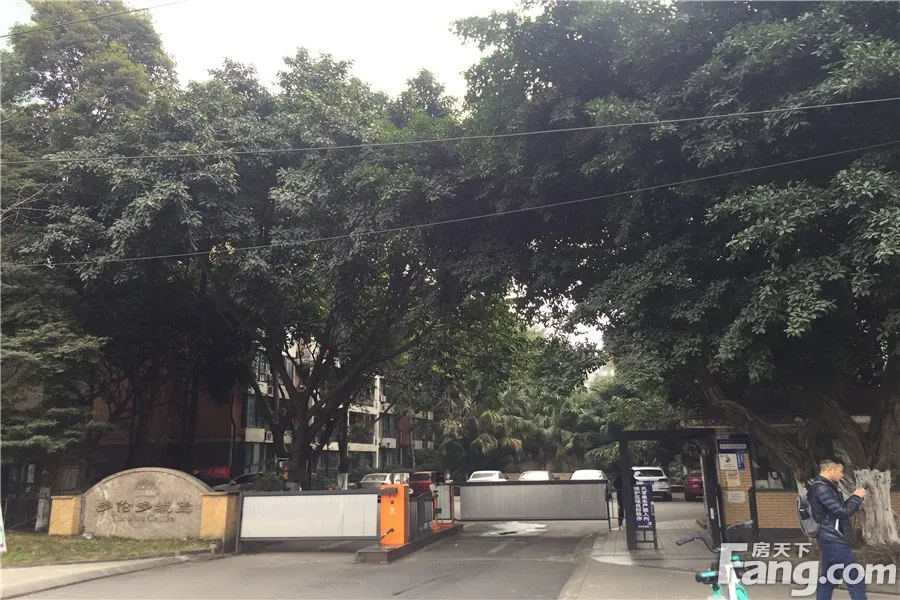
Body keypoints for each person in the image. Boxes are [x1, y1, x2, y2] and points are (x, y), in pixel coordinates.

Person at [808, 457, 867, 600]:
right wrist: (856, 497)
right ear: (830, 469)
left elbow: (837, 510)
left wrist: (853, 498)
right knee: (854, 578)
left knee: (828, 580)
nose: (842, 475)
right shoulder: (822, 488)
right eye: (840, 471)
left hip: (829, 539)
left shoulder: (824, 486)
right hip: (835, 540)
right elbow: (842, 512)